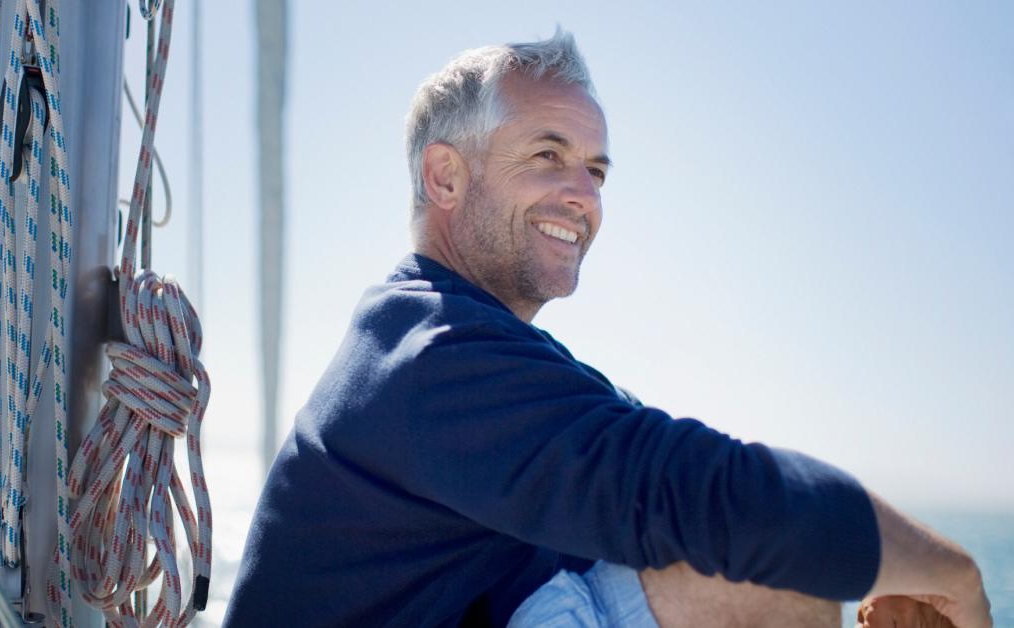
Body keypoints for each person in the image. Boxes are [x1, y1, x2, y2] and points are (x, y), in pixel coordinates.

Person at [224, 30, 992, 627]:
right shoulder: (433, 357)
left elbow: (644, 469)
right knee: (765, 569)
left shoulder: (469, 343)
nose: (581, 196)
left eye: (595, 170)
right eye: (548, 154)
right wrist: (943, 571)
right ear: (446, 177)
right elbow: (694, 491)